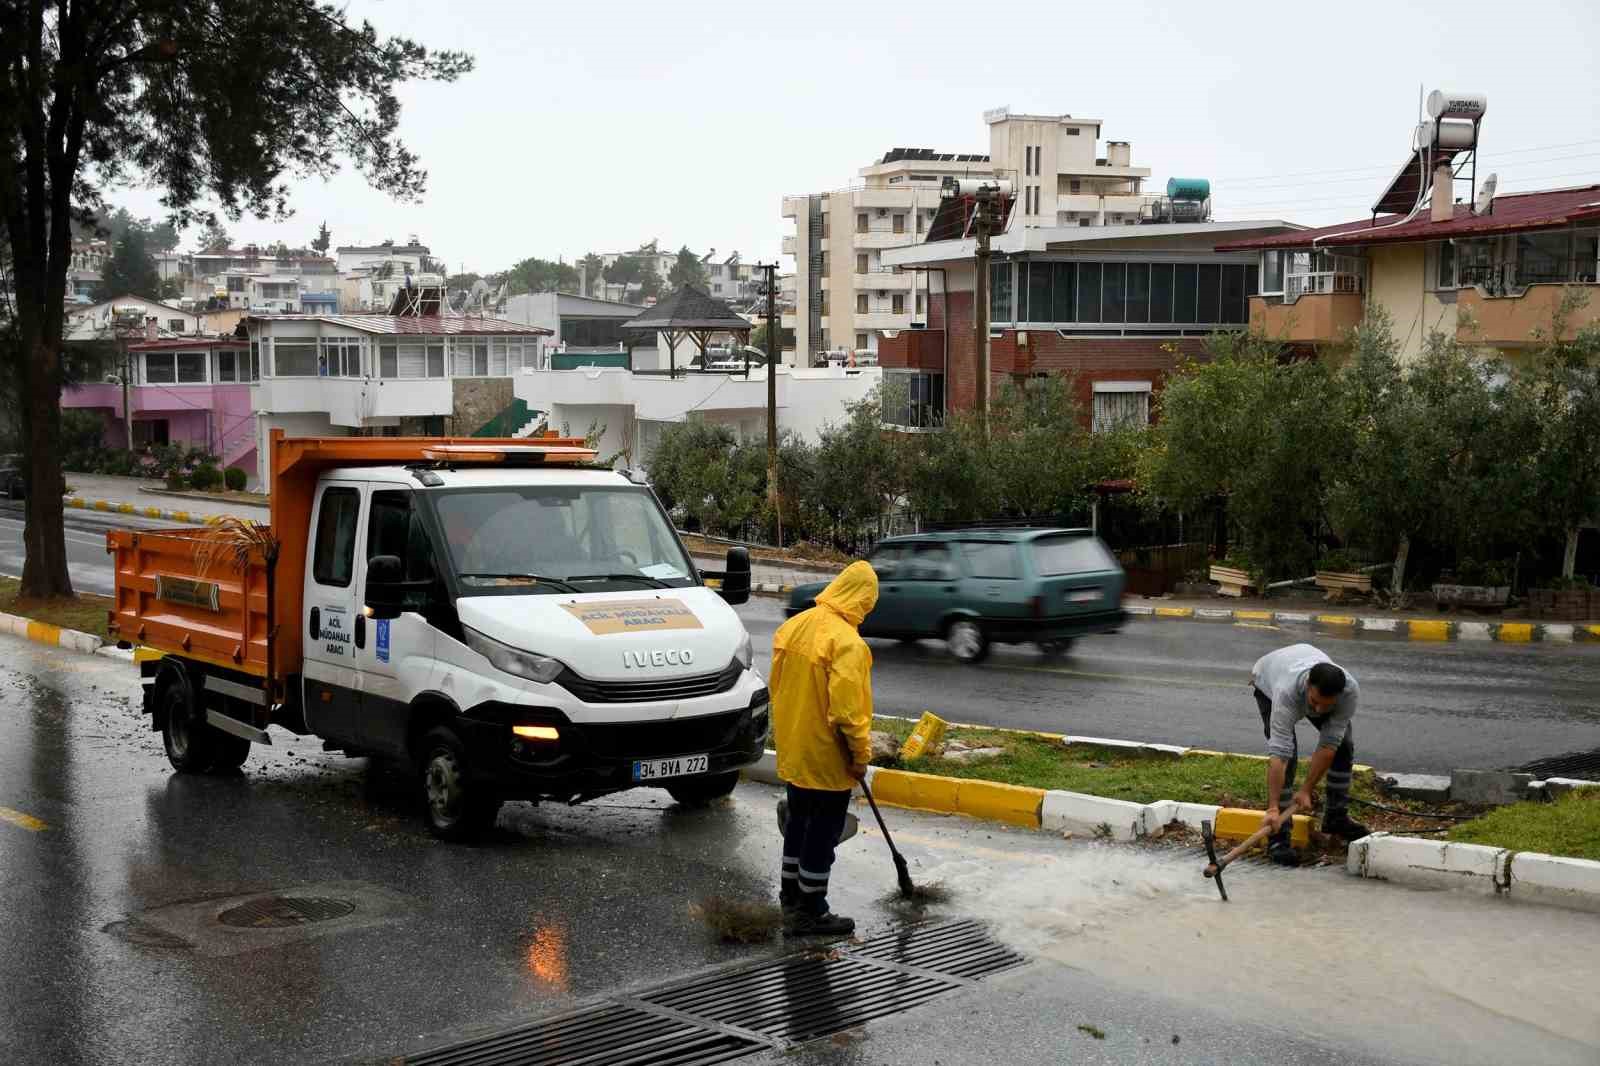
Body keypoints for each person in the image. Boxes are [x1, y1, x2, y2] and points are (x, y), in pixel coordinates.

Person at [770, 560, 877, 937]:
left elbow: (777, 689)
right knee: (822, 833)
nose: (867, 610)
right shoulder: (847, 643)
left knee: (798, 824)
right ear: (861, 599)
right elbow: (848, 713)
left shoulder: (793, 626)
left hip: (795, 748)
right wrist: (860, 757)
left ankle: (789, 899)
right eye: (868, 603)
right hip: (827, 755)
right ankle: (812, 911)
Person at [1250, 643, 1371, 865]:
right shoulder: (1285, 693)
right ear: (1307, 686)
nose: (1318, 711)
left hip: (1302, 666)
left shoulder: (1349, 692)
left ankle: (1336, 817)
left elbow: (1329, 746)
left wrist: (1306, 790)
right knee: (1290, 755)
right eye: (1315, 702)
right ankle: (1279, 836)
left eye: (1327, 705)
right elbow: (1279, 756)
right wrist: (1273, 808)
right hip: (1268, 677)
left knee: (1343, 744)